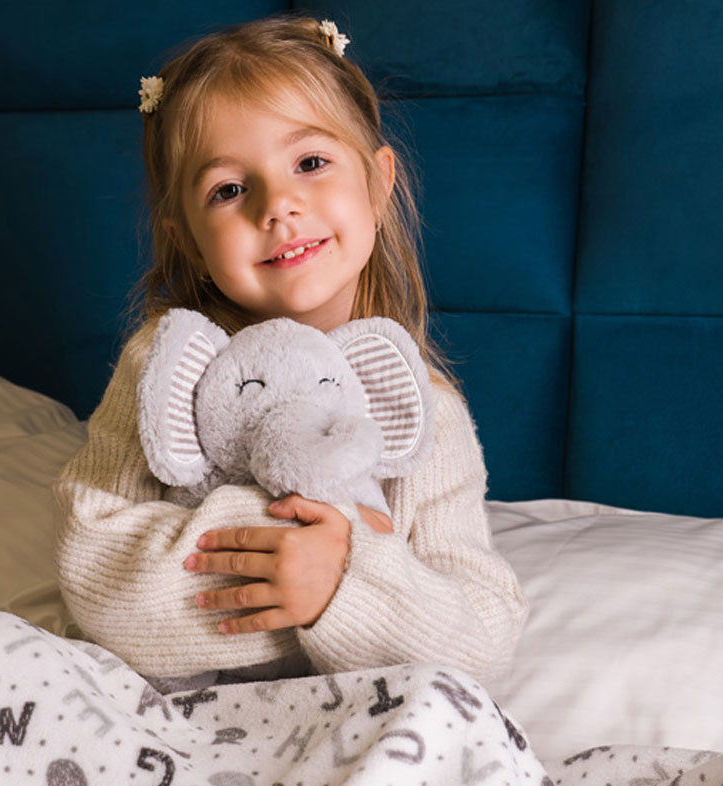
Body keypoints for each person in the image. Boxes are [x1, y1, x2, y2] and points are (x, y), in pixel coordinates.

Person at [54, 15, 526, 684]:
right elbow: (93, 568)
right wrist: (298, 544)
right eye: (229, 190)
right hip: (174, 720)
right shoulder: (165, 367)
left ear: (378, 184)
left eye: (310, 163)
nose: (277, 206)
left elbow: (483, 635)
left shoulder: (425, 410)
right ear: (188, 239)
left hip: (358, 725)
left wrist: (340, 583)